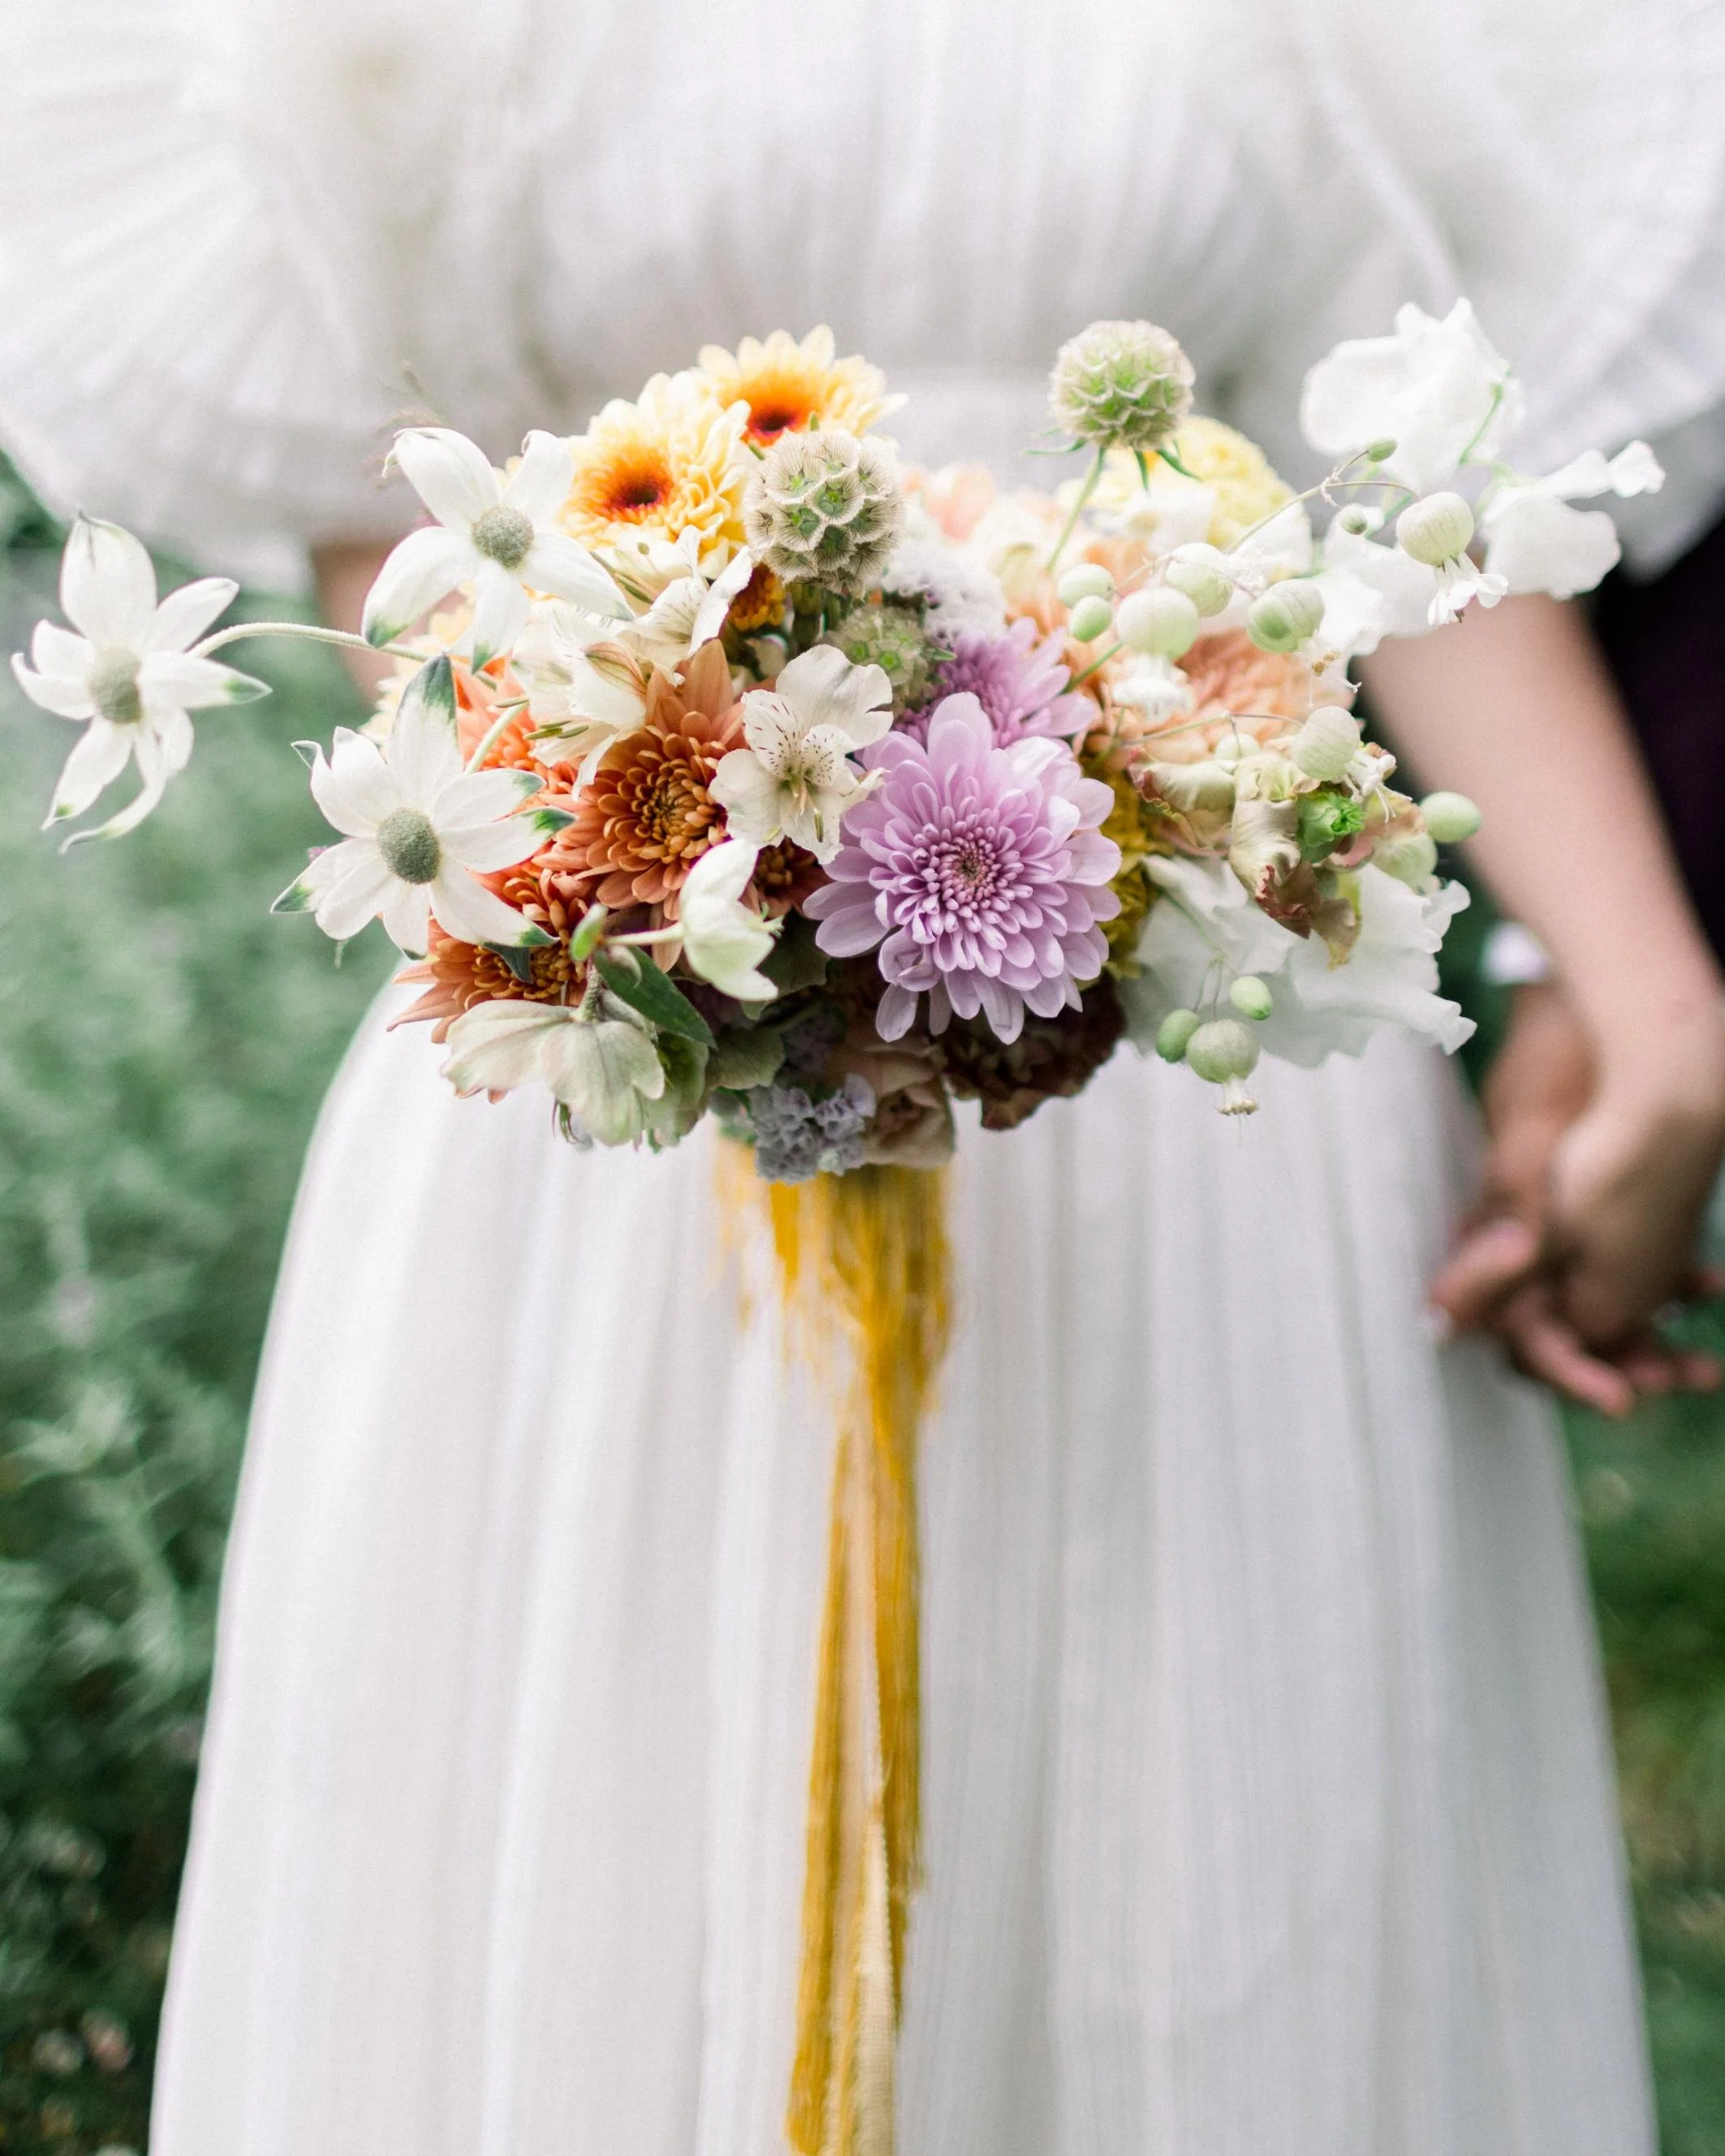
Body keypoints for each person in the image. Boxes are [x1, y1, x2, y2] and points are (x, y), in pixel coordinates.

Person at [3, 3, 1725, 2150]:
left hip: (1207, 1077)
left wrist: (1654, 1005)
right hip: (635, 1044)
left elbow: (1420, 493)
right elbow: (409, 524)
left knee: (1207, 1856)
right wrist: (662, 821)